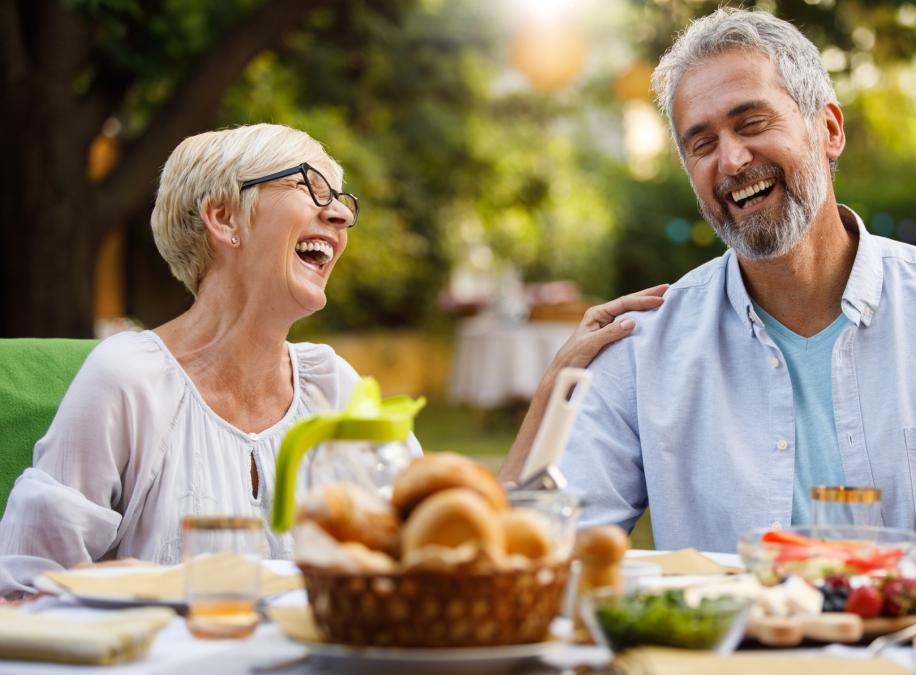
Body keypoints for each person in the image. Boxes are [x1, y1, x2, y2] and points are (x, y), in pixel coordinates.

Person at [547, 9, 916, 580]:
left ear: (829, 129)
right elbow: (540, 556)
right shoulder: (642, 350)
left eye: (752, 123)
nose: (733, 160)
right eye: (702, 143)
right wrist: (551, 396)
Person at [0, 123, 664, 597]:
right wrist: (158, 586)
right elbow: (23, 586)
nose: (339, 217)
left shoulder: (332, 384)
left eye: (342, 201)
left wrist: (557, 380)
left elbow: (437, 533)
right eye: (312, 187)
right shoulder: (129, 382)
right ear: (224, 218)